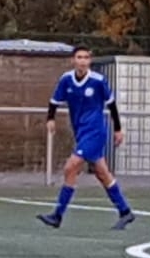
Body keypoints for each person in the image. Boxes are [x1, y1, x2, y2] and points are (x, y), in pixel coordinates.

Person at [37, 45, 134, 231]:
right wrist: (50, 119)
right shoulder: (66, 79)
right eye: (79, 57)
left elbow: (112, 105)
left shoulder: (98, 81)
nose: (82, 61)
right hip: (80, 132)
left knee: (71, 167)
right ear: (73, 60)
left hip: (95, 131)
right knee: (102, 173)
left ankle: (57, 215)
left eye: (86, 57)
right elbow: (54, 101)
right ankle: (125, 211)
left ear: (90, 61)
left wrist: (118, 129)